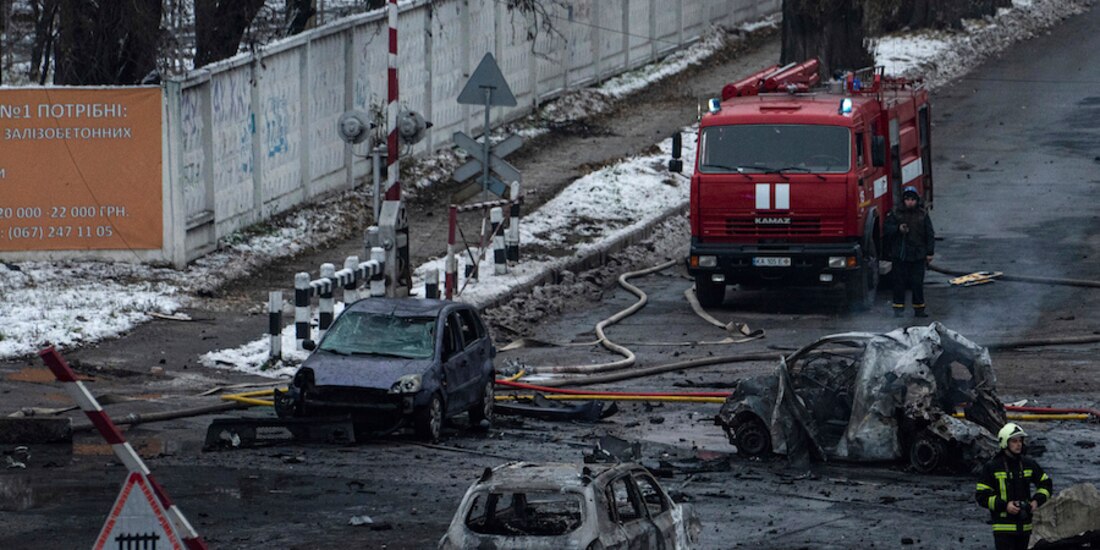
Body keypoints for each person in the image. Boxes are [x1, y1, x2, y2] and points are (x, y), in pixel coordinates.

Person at [975, 423, 1053, 550]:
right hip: (1003, 528)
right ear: (1005, 443)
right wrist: (1005, 506)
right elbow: (981, 496)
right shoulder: (992, 467)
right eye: (1014, 441)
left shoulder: (1028, 464)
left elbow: (1046, 484)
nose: (1019, 444)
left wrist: (1036, 501)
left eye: (1020, 441)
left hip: (1025, 527)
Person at [884, 186, 935, 317]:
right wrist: (898, 229)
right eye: (907, 199)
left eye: (912, 199)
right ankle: (898, 309)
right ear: (903, 200)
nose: (910, 202)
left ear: (917, 200)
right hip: (900, 255)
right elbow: (887, 230)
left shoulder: (922, 215)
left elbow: (929, 234)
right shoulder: (895, 214)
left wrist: (930, 253)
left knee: (917, 283)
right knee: (899, 283)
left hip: (918, 255)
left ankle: (919, 309)